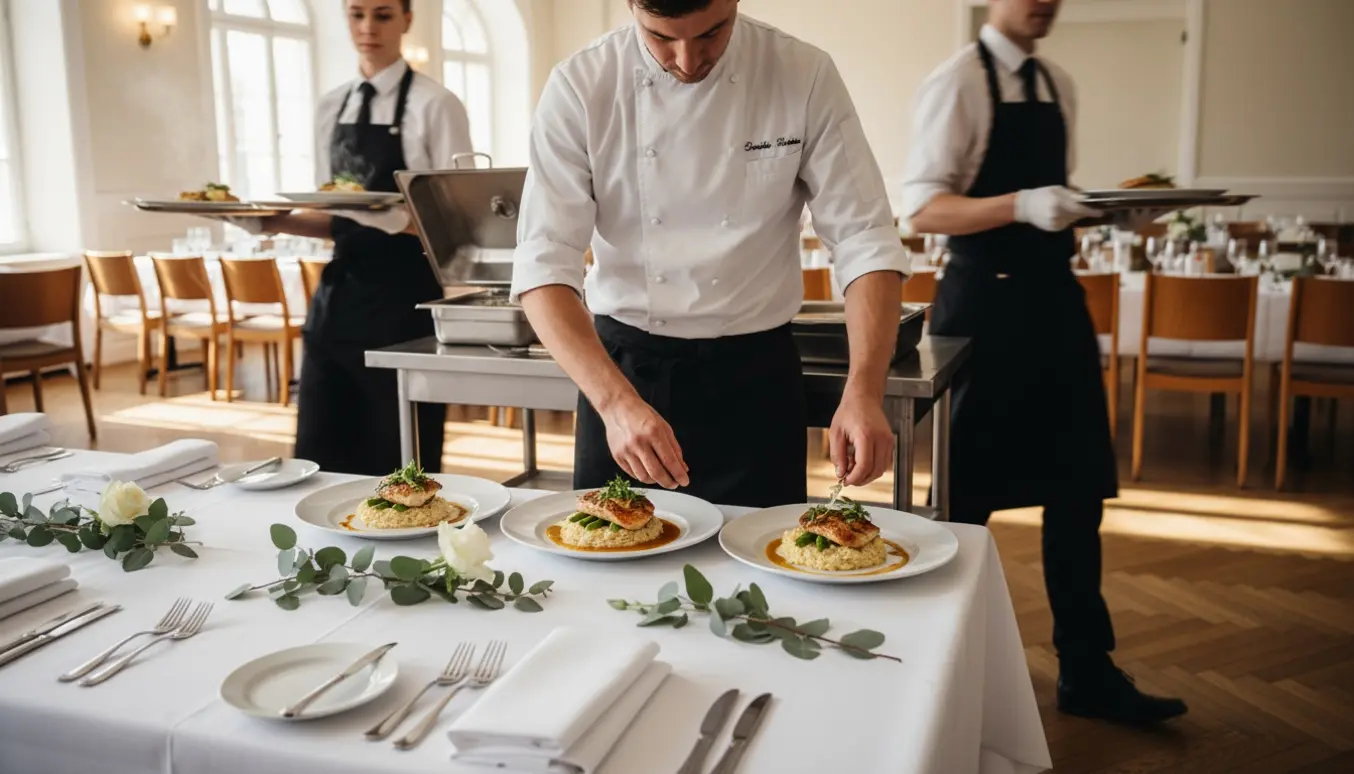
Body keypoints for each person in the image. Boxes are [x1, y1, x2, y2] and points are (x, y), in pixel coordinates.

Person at [902, 0, 1186, 724]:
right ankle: (938, 669)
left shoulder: (1060, 82)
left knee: (1078, 490)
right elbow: (923, 211)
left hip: (1056, 303)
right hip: (985, 309)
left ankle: (1086, 671)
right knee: (968, 500)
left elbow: (1054, 201)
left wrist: (1105, 211)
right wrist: (1023, 204)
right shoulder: (956, 80)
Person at [512, 0, 908, 507]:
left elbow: (864, 240)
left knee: (767, 574)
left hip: (756, 381)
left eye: (711, 34)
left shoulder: (801, 72)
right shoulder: (581, 85)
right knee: (612, 570)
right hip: (625, 375)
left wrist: (865, 391)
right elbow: (544, 263)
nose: (687, 60)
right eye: (660, 37)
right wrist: (614, 404)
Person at [225, 0, 472, 476]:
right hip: (336, 301)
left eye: (382, 15)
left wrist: (384, 217)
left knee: (399, 456)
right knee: (320, 452)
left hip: (405, 302)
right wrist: (268, 222)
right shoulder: (330, 106)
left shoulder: (435, 104)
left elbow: (454, 224)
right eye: (356, 14)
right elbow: (335, 216)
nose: (367, 28)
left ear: (406, 20)